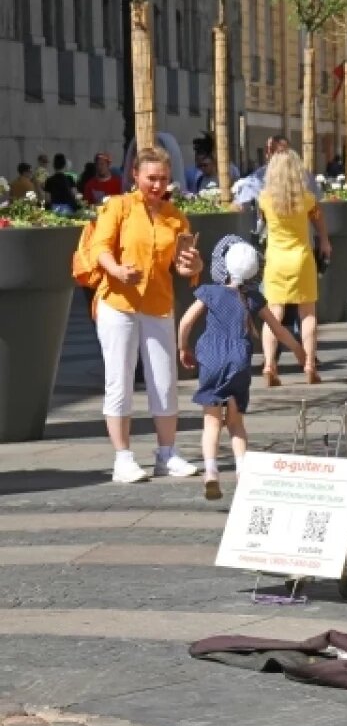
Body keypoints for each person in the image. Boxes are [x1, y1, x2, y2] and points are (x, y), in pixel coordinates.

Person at [88, 145, 204, 483]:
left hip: (157, 304)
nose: (157, 185)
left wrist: (194, 265)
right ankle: (122, 458)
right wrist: (116, 270)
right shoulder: (118, 207)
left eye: (163, 179)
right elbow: (99, 247)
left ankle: (167, 453)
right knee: (119, 380)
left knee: (164, 382)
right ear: (135, 175)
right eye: (151, 178)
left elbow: (183, 265)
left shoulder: (175, 216)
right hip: (118, 303)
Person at [179, 238, 306, 500]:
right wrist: (298, 349)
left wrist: (183, 347)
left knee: (211, 422)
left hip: (212, 359)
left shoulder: (209, 292)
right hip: (239, 361)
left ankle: (211, 472)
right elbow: (278, 329)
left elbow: (186, 321)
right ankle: (242, 471)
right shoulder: (253, 298)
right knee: (235, 423)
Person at [258, 149, 330, 386]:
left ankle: (270, 363)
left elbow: (262, 224)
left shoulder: (264, 199)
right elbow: (319, 221)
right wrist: (325, 241)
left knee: (273, 314)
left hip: (275, 259)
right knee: (307, 313)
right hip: (301, 258)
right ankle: (309, 363)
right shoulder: (307, 199)